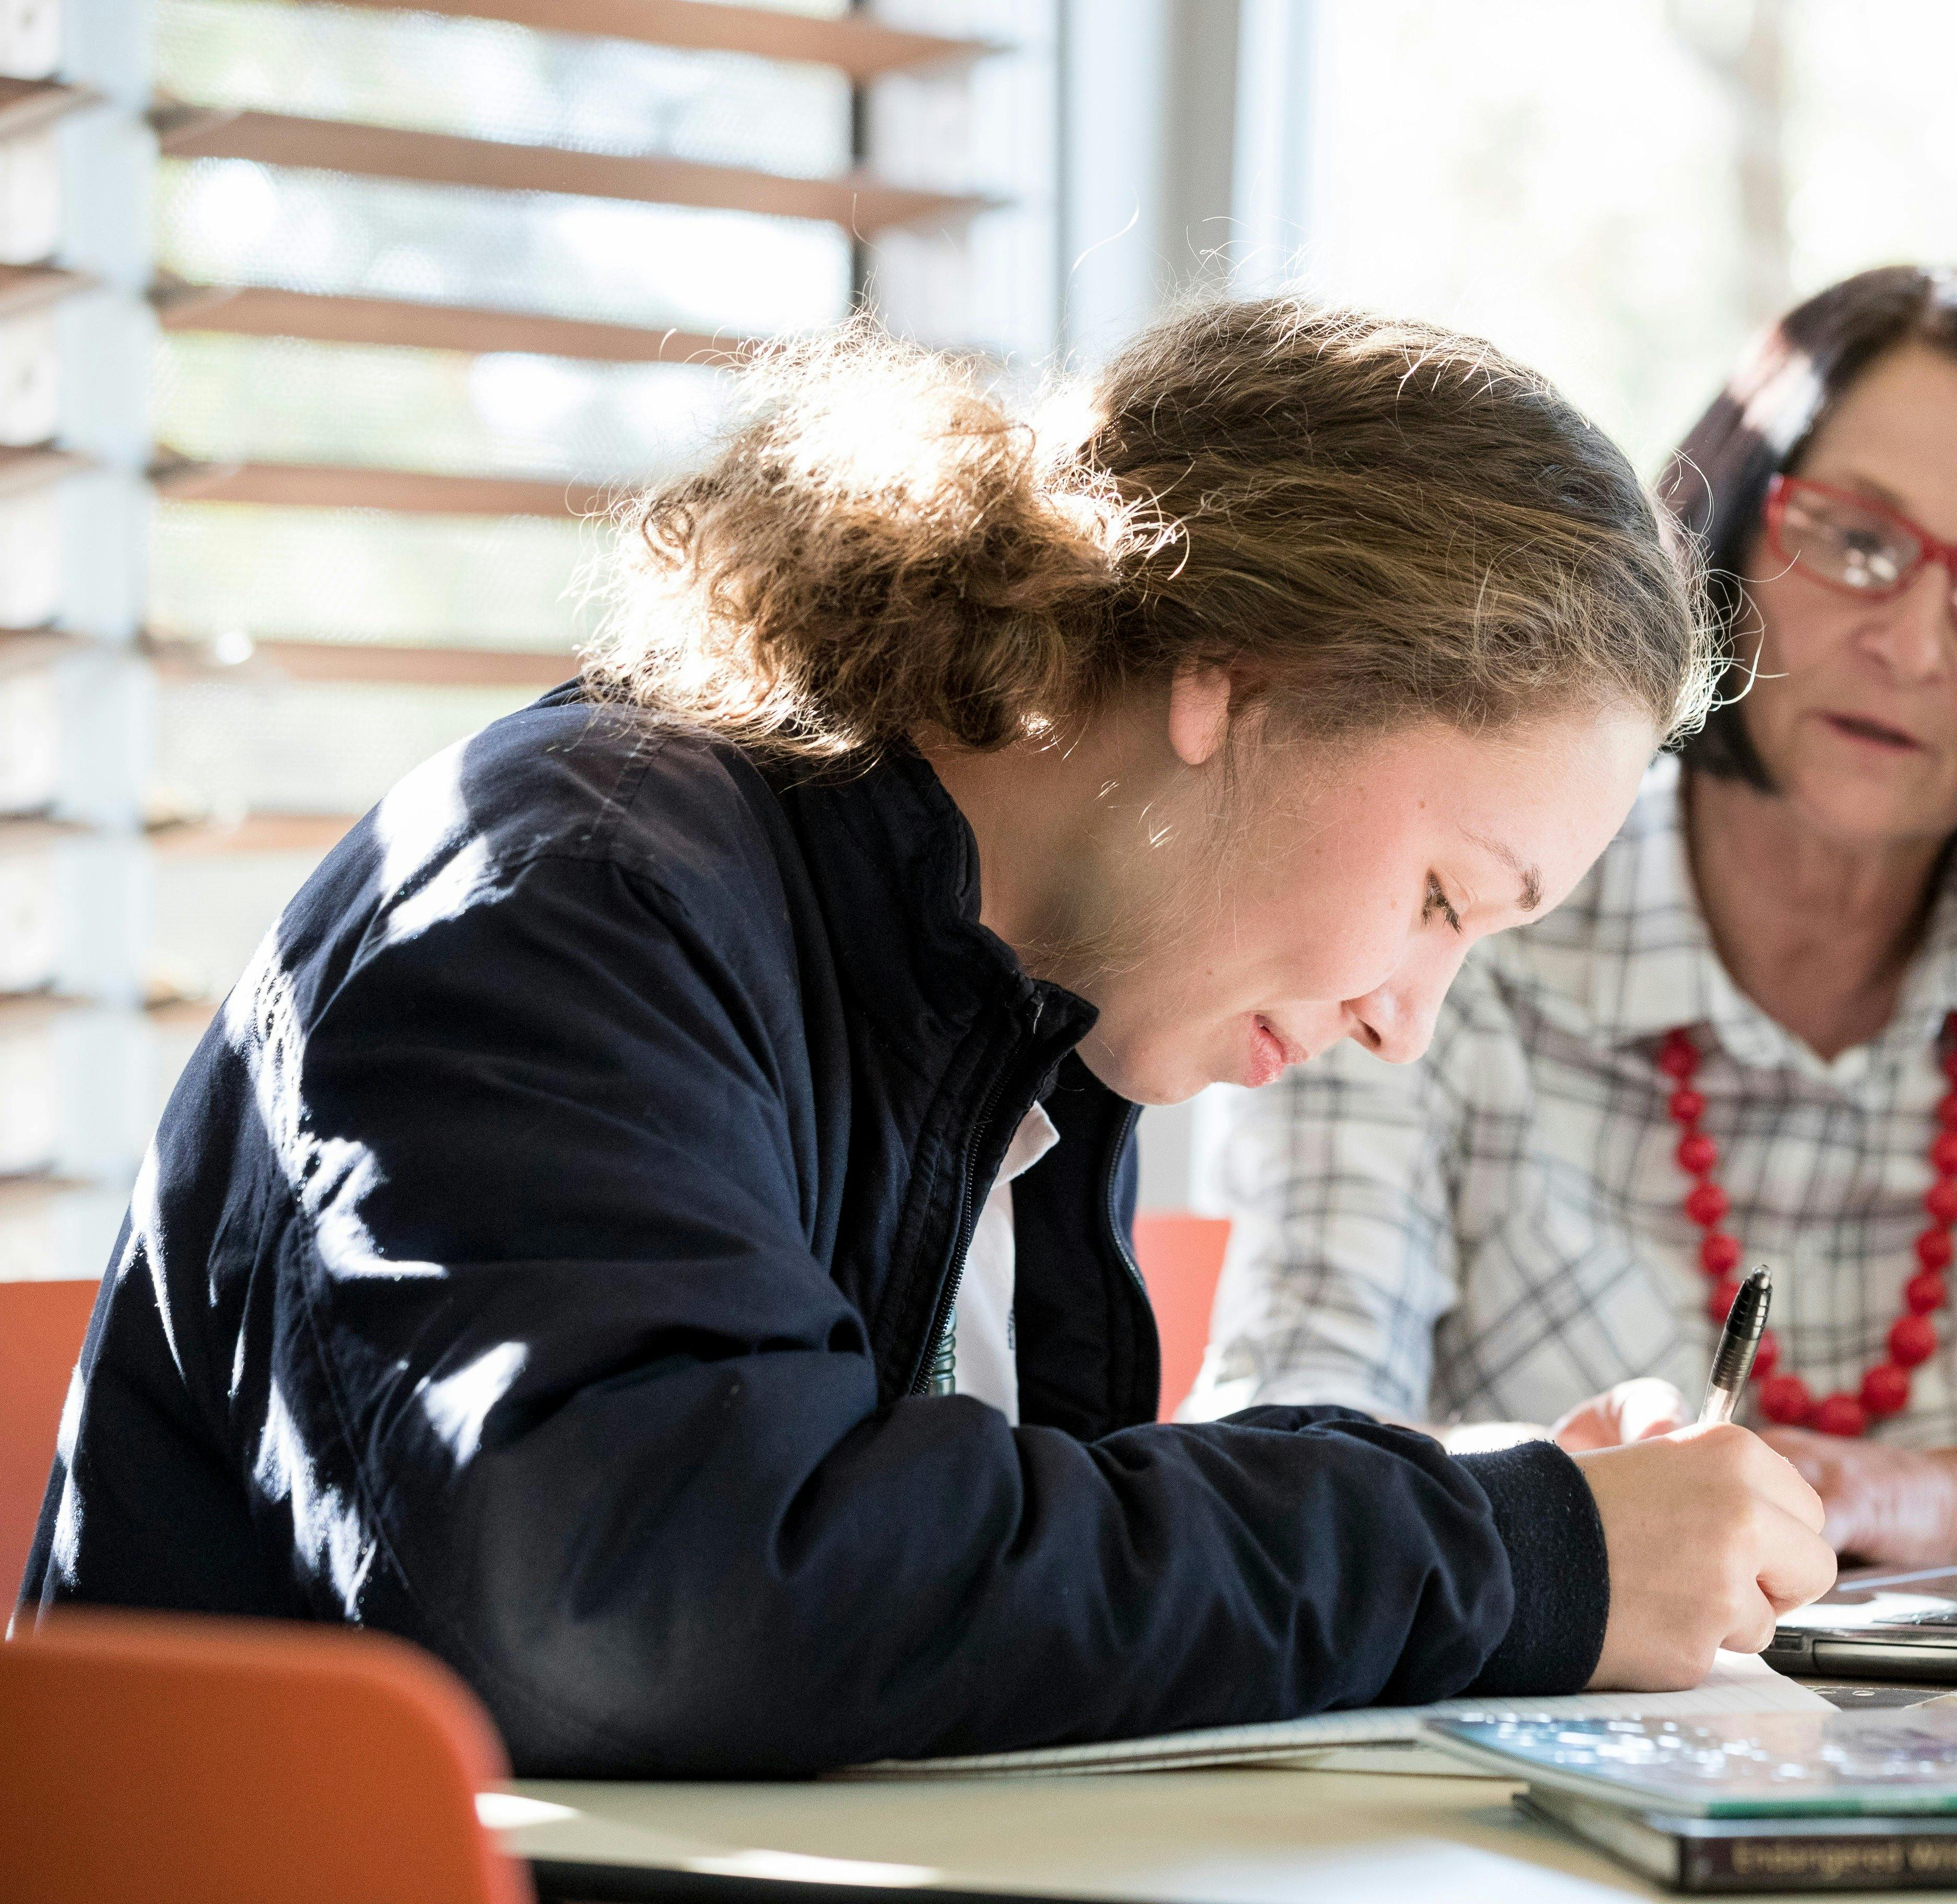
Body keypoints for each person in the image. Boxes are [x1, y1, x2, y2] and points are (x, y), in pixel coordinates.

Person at [21, 302, 1839, 1777]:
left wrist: (1486, 1502)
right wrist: (1508, 1553)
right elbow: (667, 1593)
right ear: (1244, 676)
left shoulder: (1021, 1013)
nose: (1401, 1019)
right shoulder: (563, 894)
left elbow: (982, 1579)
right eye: (1446, 895)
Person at [1191, 267, 1957, 1570]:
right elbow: (1280, 1445)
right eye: (1861, 543)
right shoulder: (1465, 891)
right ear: (1728, 540)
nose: (1915, 646)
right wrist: (1561, 1517)